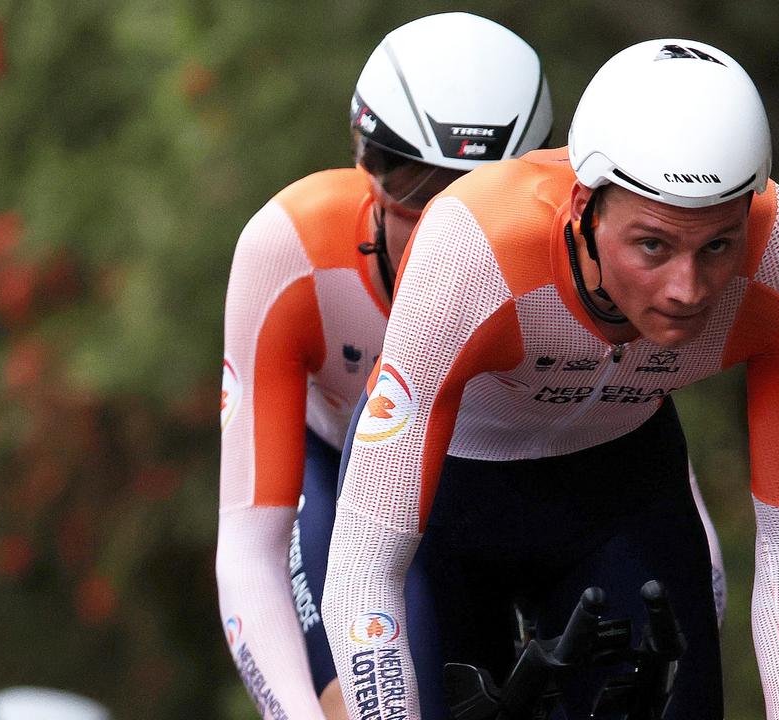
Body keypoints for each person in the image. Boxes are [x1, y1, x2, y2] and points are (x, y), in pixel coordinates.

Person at [323, 38, 779, 720]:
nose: (687, 289)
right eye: (652, 244)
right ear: (583, 210)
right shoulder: (476, 247)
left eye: (718, 245)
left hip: (615, 490)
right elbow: (365, 568)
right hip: (446, 499)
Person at [216, 13, 558, 720]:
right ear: (364, 164)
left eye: (476, 195)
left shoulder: (572, 268)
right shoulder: (291, 249)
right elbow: (250, 550)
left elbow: (650, 459)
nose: (443, 226)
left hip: (487, 485)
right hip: (337, 482)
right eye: (413, 183)